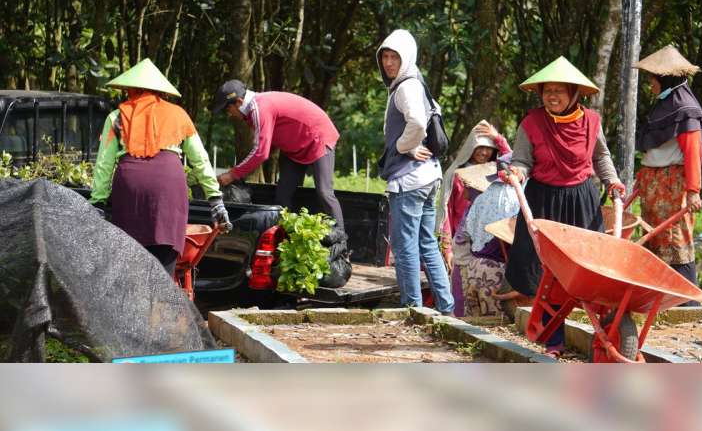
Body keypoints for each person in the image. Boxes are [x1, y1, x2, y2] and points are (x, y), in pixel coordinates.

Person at [502, 56, 625, 357]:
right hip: (543, 201)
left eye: (559, 90)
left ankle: (606, 329)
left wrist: (612, 181)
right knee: (549, 273)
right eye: (547, 91)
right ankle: (553, 341)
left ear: (574, 94)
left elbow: (601, 158)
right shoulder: (531, 123)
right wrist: (517, 172)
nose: (552, 96)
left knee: (590, 269)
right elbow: (521, 159)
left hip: (581, 201)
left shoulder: (592, 122)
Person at [90, 58, 231, 276]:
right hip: (169, 187)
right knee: (164, 265)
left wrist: (97, 202)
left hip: (130, 188)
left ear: (131, 88)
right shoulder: (178, 115)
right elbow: (200, 159)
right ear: (160, 91)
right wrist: (215, 200)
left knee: (130, 261)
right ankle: (162, 300)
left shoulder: (116, 117)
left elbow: (104, 165)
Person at [377, 29, 454, 314]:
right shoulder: (417, 82)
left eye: (394, 57)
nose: (388, 62)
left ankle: (412, 309)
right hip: (428, 175)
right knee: (425, 242)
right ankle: (446, 308)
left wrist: (402, 146)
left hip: (410, 180)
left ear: (406, 57)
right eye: (384, 56)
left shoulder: (407, 86)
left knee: (404, 245)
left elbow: (419, 124)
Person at [212, 80, 345, 233]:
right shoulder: (252, 111)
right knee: (282, 196)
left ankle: (341, 242)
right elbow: (269, 143)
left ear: (239, 102)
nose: (229, 114)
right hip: (293, 148)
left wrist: (232, 174)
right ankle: (289, 238)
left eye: (228, 109)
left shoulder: (260, 108)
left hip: (318, 137)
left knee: (324, 192)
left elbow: (261, 152)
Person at [633, 45, 702, 290]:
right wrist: (641, 179)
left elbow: (693, 152)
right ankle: (659, 297)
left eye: (652, 79)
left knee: (676, 241)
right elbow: (655, 150)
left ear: (665, 79)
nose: (650, 84)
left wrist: (693, 190)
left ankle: (686, 302)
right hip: (654, 184)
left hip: (673, 185)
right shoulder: (665, 105)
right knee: (655, 240)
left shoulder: (685, 109)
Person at [436, 120, 511, 316]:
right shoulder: (456, 174)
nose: (484, 153)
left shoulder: (496, 174)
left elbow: (514, 162)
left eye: (489, 149)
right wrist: (447, 249)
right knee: (460, 287)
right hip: (463, 241)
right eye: (480, 147)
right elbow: (447, 212)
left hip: (490, 242)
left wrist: (498, 138)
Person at [456, 154, 520, 317]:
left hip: (473, 267)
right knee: (495, 328)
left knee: (472, 327)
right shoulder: (517, 200)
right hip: (495, 272)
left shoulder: (481, 198)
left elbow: (467, 231)